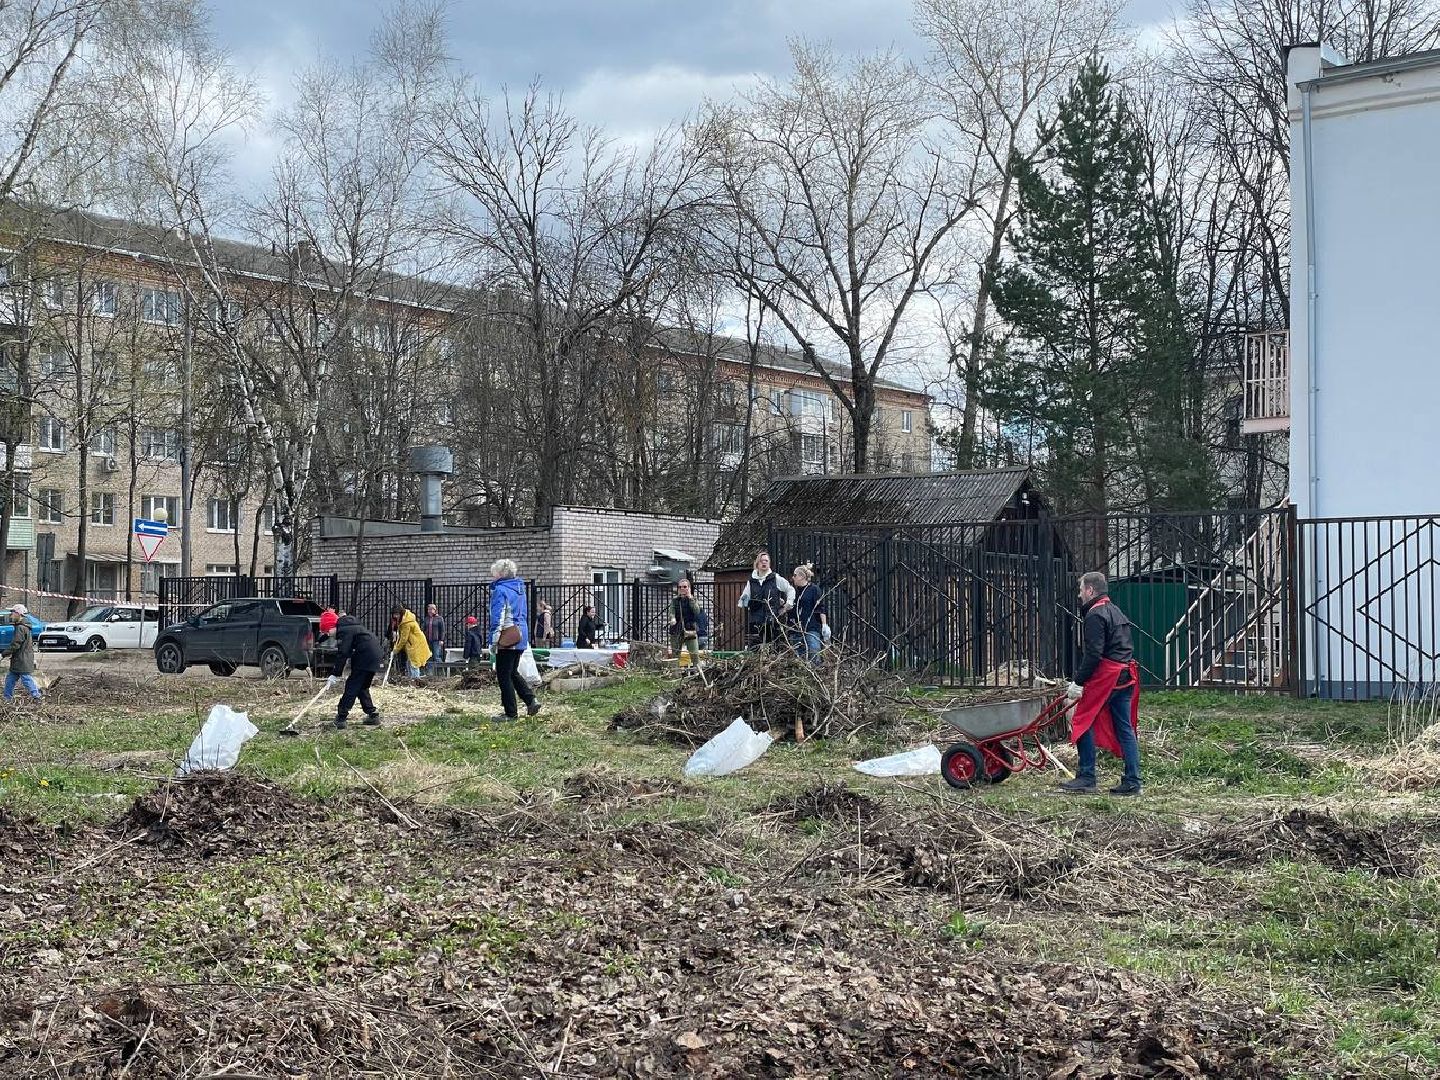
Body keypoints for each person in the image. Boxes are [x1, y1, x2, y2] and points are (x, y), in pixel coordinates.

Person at [1060, 571, 1143, 796]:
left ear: (1090, 590)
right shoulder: (1116, 611)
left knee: (1082, 721)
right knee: (1125, 728)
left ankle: (1087, 777)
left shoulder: (1095, 615)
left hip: (1108, 676)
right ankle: (1133, 781)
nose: (1079, 595)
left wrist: (1078, 682)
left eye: (1081, 590)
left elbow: (1094, 654)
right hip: (1126, 676)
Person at [489, 558, 541, 721]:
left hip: (507, 634)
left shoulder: (500, 590)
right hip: (521, 635)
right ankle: (531, 700)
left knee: (503, 675)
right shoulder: (519, 589)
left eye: (494, 573)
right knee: (512, 672)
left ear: (500, 574)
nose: (492, 577)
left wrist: (494, 639)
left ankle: (510, 713)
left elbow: (498, 615)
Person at [327, 612, 383, 729]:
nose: (328, 634)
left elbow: (343, 653)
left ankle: (341, 717)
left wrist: (335, 673)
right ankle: (372, 714)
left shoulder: (344, 630)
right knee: (361, 686)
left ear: (332, 627)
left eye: (327, 631)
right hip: (375, 655)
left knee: (352, 685)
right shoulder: (353, 627)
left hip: (365, 656)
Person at [738, 550, 794, 649]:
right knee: (756, 649)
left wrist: (787, 605)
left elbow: (790, 590)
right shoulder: (752, 581)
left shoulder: (775, 578)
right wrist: (744, 600)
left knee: (773, 648)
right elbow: (744, 600)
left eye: (766, 561)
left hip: (772, 619)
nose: (764, 563)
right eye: (762, 561)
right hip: (756, 620)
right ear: (757, 564)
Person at [788, 563, 829, 661]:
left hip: (811, 628)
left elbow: (820, 607)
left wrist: (824, 625)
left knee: (814, 655)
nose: (793, 578)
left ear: (802, 576)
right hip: (796, 629)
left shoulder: (814, 589)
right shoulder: (794, 591)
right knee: (799, 659)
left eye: (795, 575)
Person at [3, 605, 40, 702]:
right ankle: (7, 698)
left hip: (22, 659)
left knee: (26, 679)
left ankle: (36, 696)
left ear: (18, 614)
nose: (11, 615)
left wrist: (4, 653)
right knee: (10, 679)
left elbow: (16, 644)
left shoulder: (20, 627)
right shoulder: (23, 626)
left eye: (12, 612)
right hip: (20, 659)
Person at [668, 577, 709, 666]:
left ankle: (698, 673)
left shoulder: (693, 600)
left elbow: (697, 611)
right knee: (675, 655)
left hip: (690, 629)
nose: (682, 589)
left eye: (685, 587)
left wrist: (690, 598)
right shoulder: (675, 600)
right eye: (680, 587)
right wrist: (672, 618)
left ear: (689, 588)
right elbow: (672, 611)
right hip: (676, 629)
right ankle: (675, 674)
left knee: (694, 654)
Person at [390, 604, 432, 679]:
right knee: (409, 662)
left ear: (401, 613)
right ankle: (411, 679)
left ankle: (415, 680)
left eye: (397, 614)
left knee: (414, 663)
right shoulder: (405, 619)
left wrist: (396, 649)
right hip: (413, 643)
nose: (395, 616)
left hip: (415, 644)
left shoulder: (406, 623)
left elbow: (403, 639)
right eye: (394, 614)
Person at [422, 603, 446, 675]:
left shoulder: (439, 618)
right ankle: (430, 673)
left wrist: (441, 639)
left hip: (436, 640)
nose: (430, 611)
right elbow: (423, 629)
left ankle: (441, 673)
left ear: (435, 610)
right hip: (428, 640)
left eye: (432, 609)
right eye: (429, 609)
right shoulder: (426, 619)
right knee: (428, 656)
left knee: (437, 656)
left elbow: (442, 630)